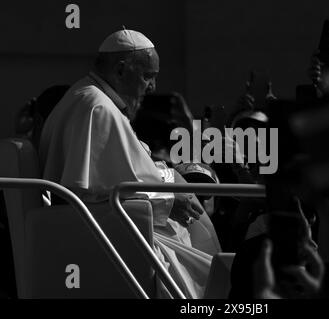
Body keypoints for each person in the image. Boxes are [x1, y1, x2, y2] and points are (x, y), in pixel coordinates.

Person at [39, 29, 213, 298]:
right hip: (108, 231)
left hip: (113, 224)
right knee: (208, 274)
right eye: (148, 77)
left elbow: (115, 172)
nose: (153, 87)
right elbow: (95, 192)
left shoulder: (89, 95)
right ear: (121, 70)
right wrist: (169, 201)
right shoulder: (97, 108)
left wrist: (167, 177)